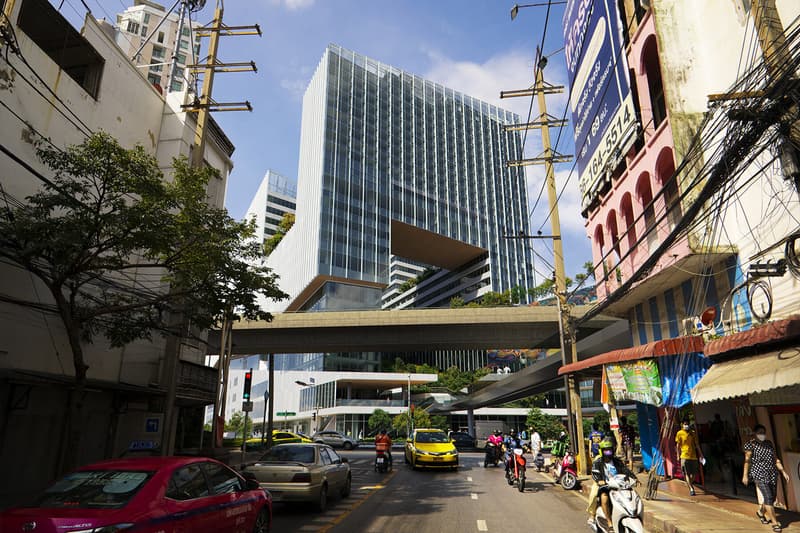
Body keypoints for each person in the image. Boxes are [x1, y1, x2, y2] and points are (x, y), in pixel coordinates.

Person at [743, 424, 790, 532]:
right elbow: (747, 461)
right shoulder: (750, 445)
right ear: (754, 433)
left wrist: (783, 471)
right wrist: (745, 475)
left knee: (772, 498)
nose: (762, 435)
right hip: (759, 474)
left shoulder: (769, 444)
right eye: (759, 432)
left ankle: (760, 512)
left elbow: (775, 459)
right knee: (768, 496)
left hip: (772, 473)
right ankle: (775, 523)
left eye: (763, 432)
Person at [587, 439, 637, 531]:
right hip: (605, 486)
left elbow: (625, 470)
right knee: (603, 497)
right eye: (606, 451)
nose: (608, 453)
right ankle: (609, 522)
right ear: (602, 452)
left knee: (632, 495)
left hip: (619, 486)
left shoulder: (617, 461)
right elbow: (595, 473)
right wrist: (600, 480)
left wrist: (634, 478)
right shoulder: (597, 463)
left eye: (610, 450)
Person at [675, 417, 704, 496]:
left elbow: (697, 445)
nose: (686, 425)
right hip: (684, 456)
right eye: (685, 424)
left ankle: (689, 483)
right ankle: (691, 488)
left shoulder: (693, 433)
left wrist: (701, 455)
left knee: (694, 474)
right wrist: (678, 455)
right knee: (687, 473)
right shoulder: (679, 433)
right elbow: (677, 445)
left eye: (687, 424)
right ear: (682, 425)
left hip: (693, 456)